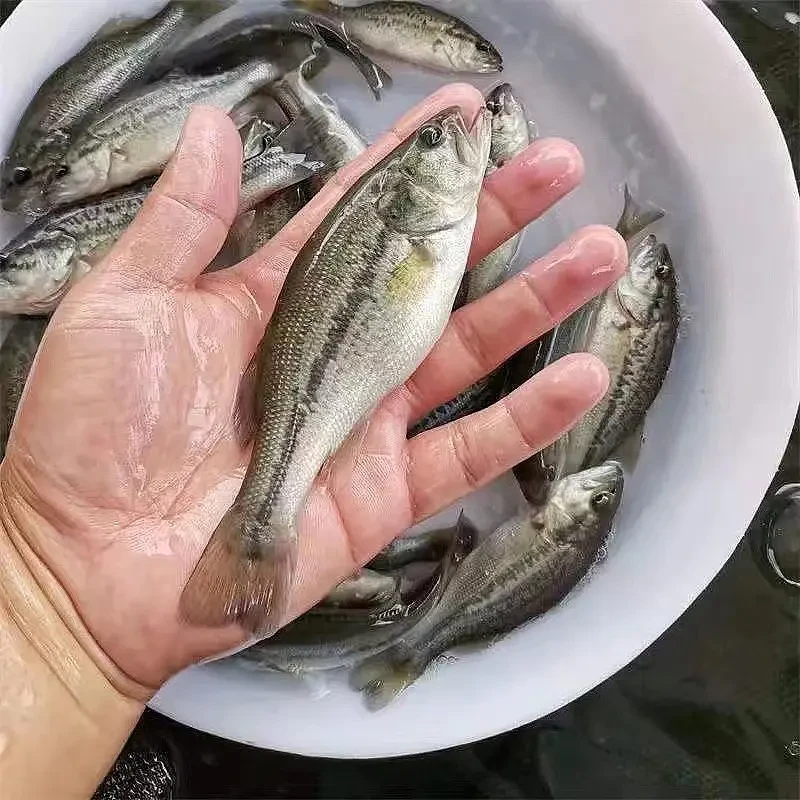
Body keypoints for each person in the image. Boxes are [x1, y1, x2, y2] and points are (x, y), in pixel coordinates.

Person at [0, 85, 626, 799]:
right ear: (405, 198)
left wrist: (46, 608)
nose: (450, 138)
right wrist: (47, 596)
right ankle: (261, 527)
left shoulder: (428, 228)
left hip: (333, 381)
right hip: (331, 385)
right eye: (430, 146)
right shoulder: (422, 229)